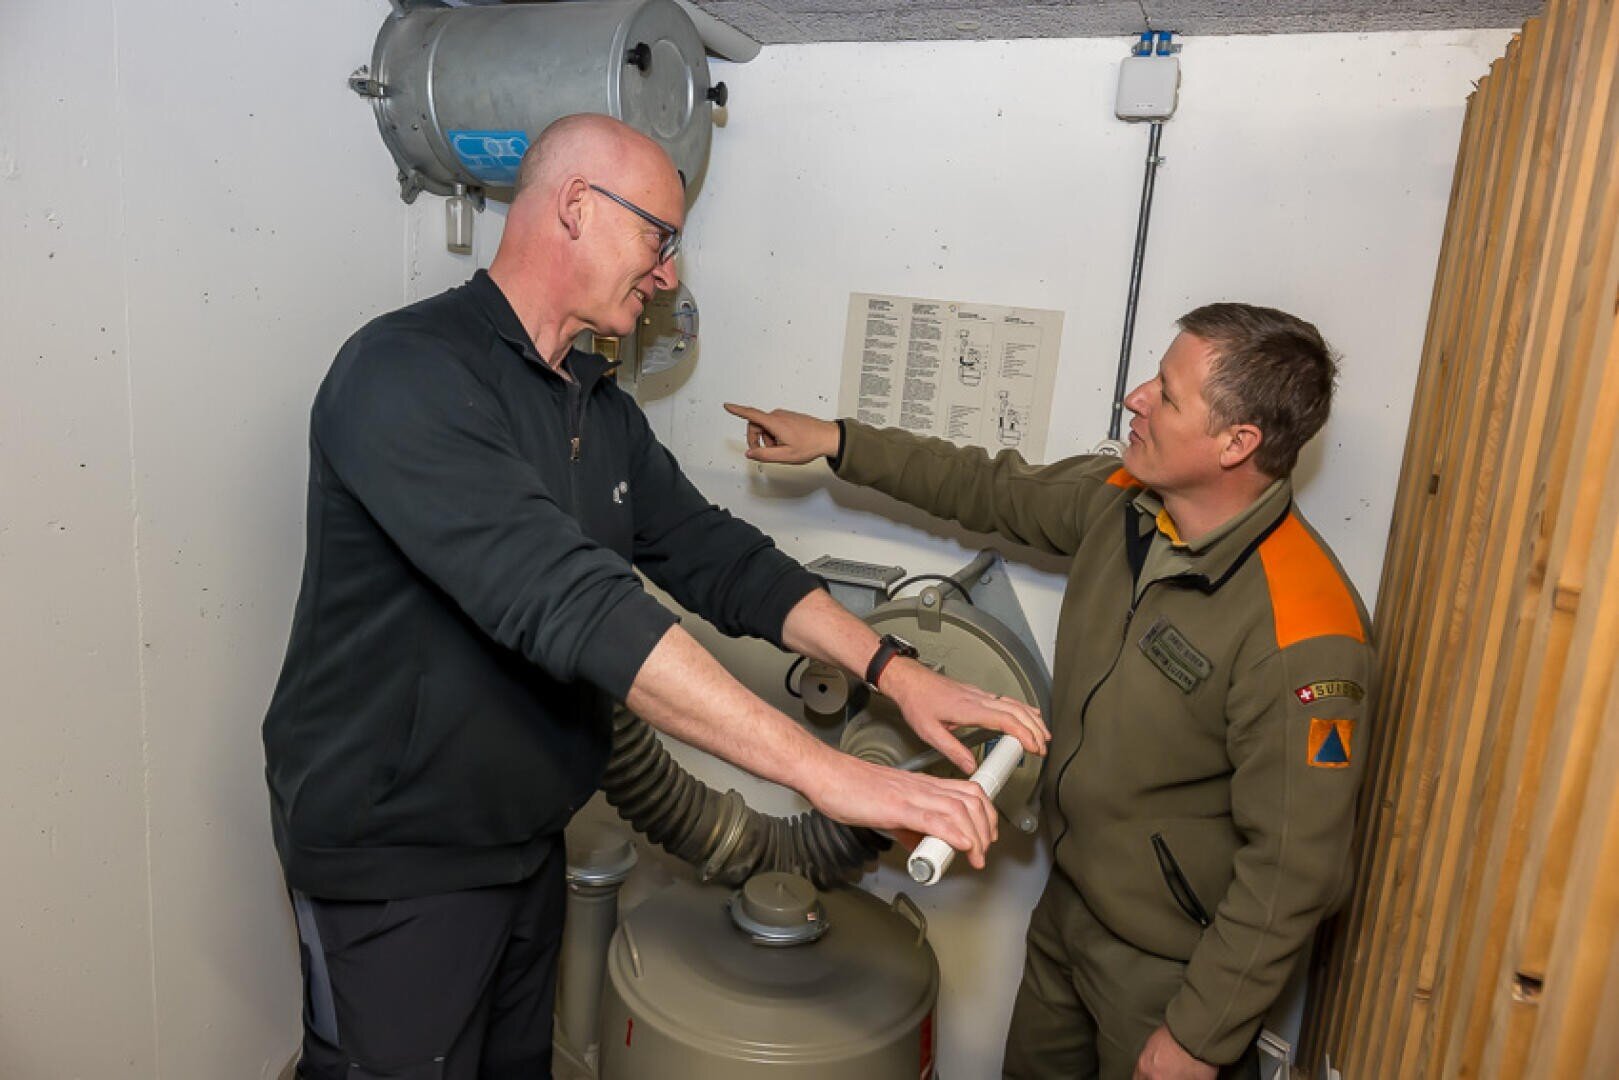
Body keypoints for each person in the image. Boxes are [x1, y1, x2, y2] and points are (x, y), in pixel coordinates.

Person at [262, 113, 1048, 1080]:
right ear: (577, 210)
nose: (669, 274)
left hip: (520, 840)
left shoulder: (595, 407)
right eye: (658, 237)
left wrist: (893, 668)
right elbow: (574, 601)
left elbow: (719, 558)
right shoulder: (404, 374)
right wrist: (828, 774)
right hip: (395, 859)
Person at [728, 303, 1373, 1080]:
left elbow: (1292, 872)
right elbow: (987, 488)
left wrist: (1200, 1037)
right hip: (1066, 915)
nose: (1135, 397)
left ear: (1238, 443)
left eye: (1166, 395)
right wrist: (839, 443)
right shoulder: (1126, 501)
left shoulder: (1302, 629)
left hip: (1172, 971)